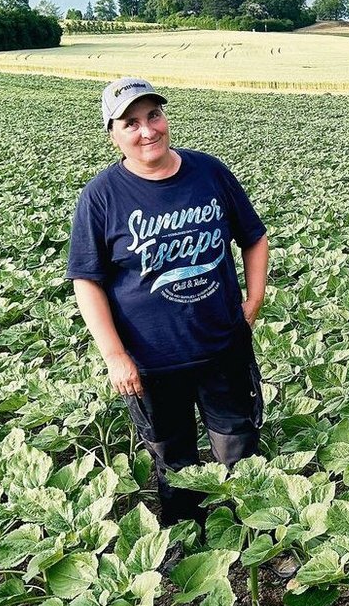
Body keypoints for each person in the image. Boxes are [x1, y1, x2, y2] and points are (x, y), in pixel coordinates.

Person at [68, 77, 270, 538]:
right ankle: (188, 543)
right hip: (150, 361)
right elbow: (87, 281)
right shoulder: (101, 196)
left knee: (239, 449)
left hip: (221, 347)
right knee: (173, 460)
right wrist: (115, 356)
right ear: (112, 133)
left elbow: (254, 238)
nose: (147, 131)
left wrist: (253, 300)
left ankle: (254, 539)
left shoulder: (209, 172)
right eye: (130, 123)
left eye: (153, 115)